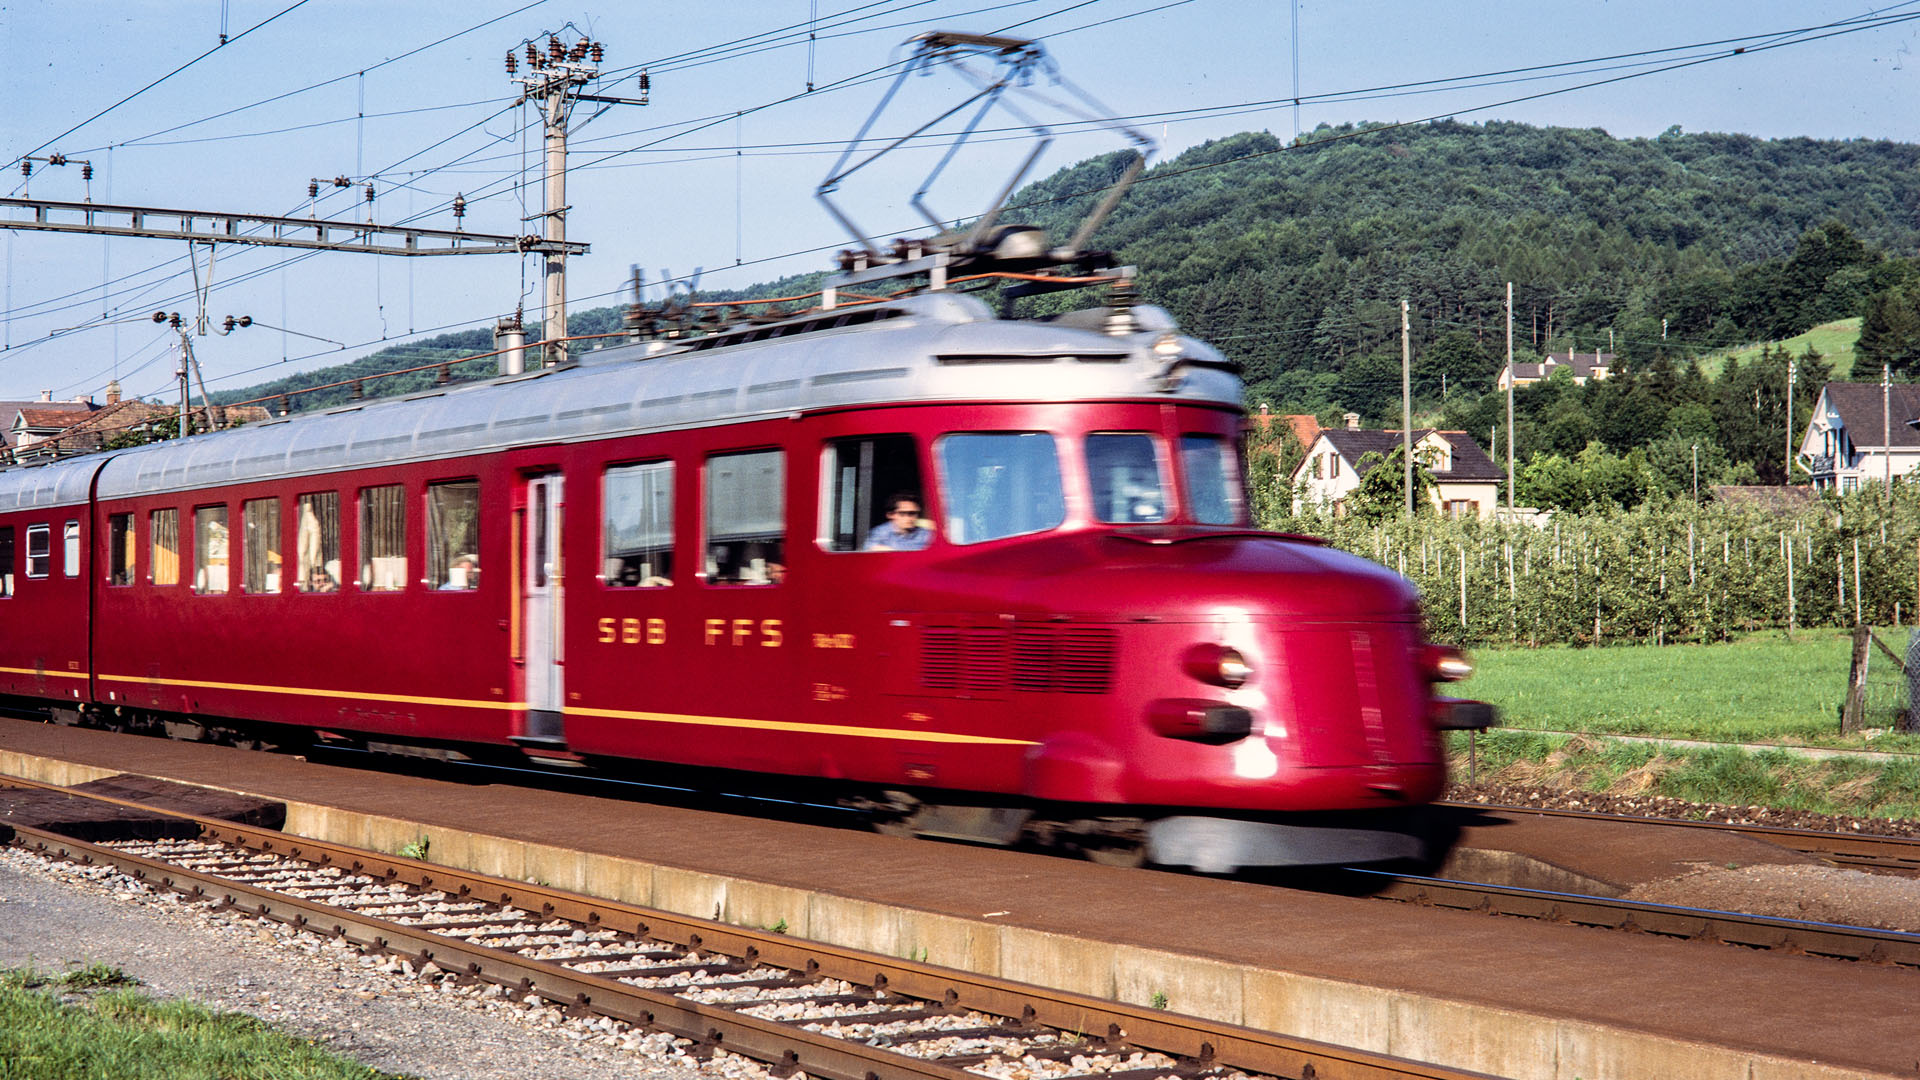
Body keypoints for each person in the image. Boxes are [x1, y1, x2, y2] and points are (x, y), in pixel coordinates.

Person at [865, 494, 932, 551]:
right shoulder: (880, 533)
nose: (908, 518)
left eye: (912, 513)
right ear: (890, 515)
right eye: (902, 514)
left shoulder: (926, 534)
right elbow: (869, 549)